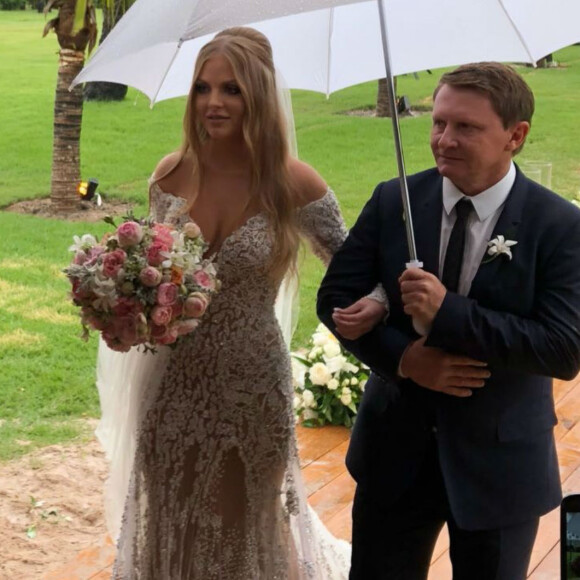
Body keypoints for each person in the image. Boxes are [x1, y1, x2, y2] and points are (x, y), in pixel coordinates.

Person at [98, 26, 387, 579]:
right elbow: (150, 273)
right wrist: (121, 307)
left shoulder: (292, 183)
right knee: (170, 515)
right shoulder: (170, 174)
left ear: (259, 95)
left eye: (231, 89)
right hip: (173, 383)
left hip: (252, 384)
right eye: (203, 88)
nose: (213, 102)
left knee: (240, 526)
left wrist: (373, 303)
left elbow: (356, 268)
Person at [317, 62, 580, 580]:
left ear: (515, 136)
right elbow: (334, 297)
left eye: (466, 128)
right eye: (438, 123)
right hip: (395, 452)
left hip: (499, 464)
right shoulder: (396, 199)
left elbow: (563, 349)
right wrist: (404, 359)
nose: (444, 140)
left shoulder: (560, 225)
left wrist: (449, 314)